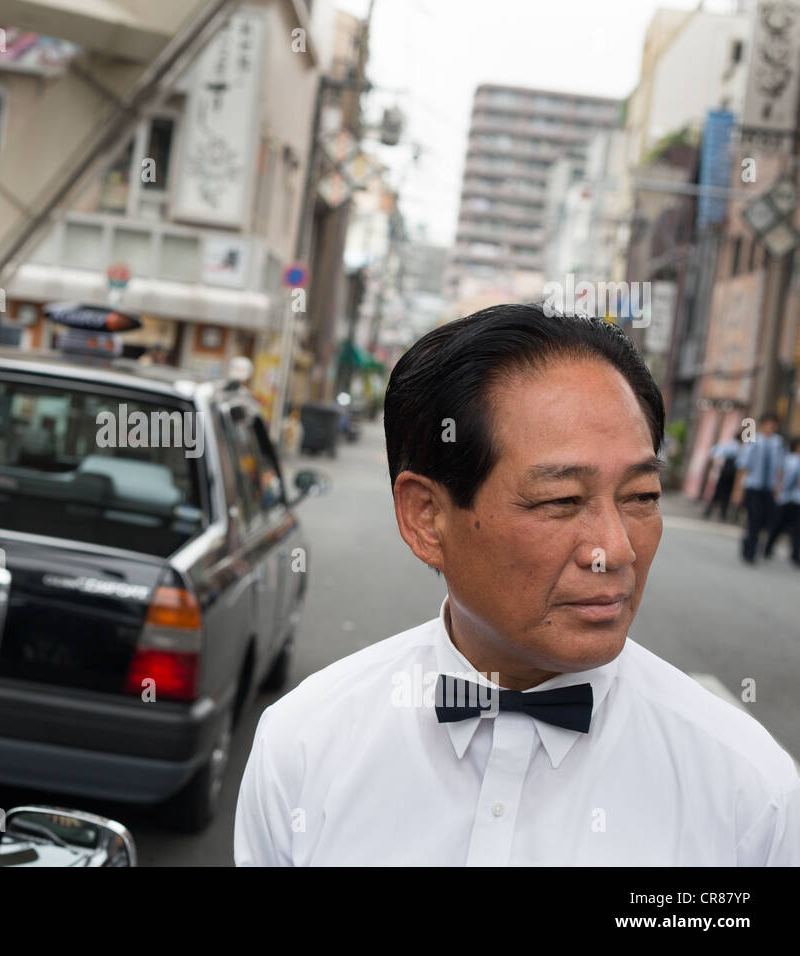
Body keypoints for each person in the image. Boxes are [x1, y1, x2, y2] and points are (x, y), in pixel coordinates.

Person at [234, 303, 799, 866]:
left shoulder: (750, 792)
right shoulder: (305, 744)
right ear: (427, 517)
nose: (616, 551)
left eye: (642, 498)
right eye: (560, 501)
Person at [733, 413, 787, 564]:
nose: (771, 427)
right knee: (754, 519)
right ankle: (750, 552)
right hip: (753, 487)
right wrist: (738, 490)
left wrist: (778, 487)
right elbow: (743, 467)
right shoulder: (753, 441)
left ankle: (748, 542)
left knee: (765, 521)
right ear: (762, 425)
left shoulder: (778, 443)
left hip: (769, 489)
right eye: (768, 424)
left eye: (773, 424)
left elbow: (780, 469)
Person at [763, 436, 800, 567]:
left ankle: (795, 555)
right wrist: (778, 490)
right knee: (779, 526)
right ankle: (768, 549)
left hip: (794, 499)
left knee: (795, 529)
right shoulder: (789, 460)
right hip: (786, 498)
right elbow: (782, 477)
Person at [702, 435, 741, 522]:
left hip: (725, 471)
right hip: (731, 471)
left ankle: (709, 511)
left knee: (718, 492)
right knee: (726, 494)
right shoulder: (737, 447)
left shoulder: (727, 445)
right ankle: (722, 513)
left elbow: (715, 453)